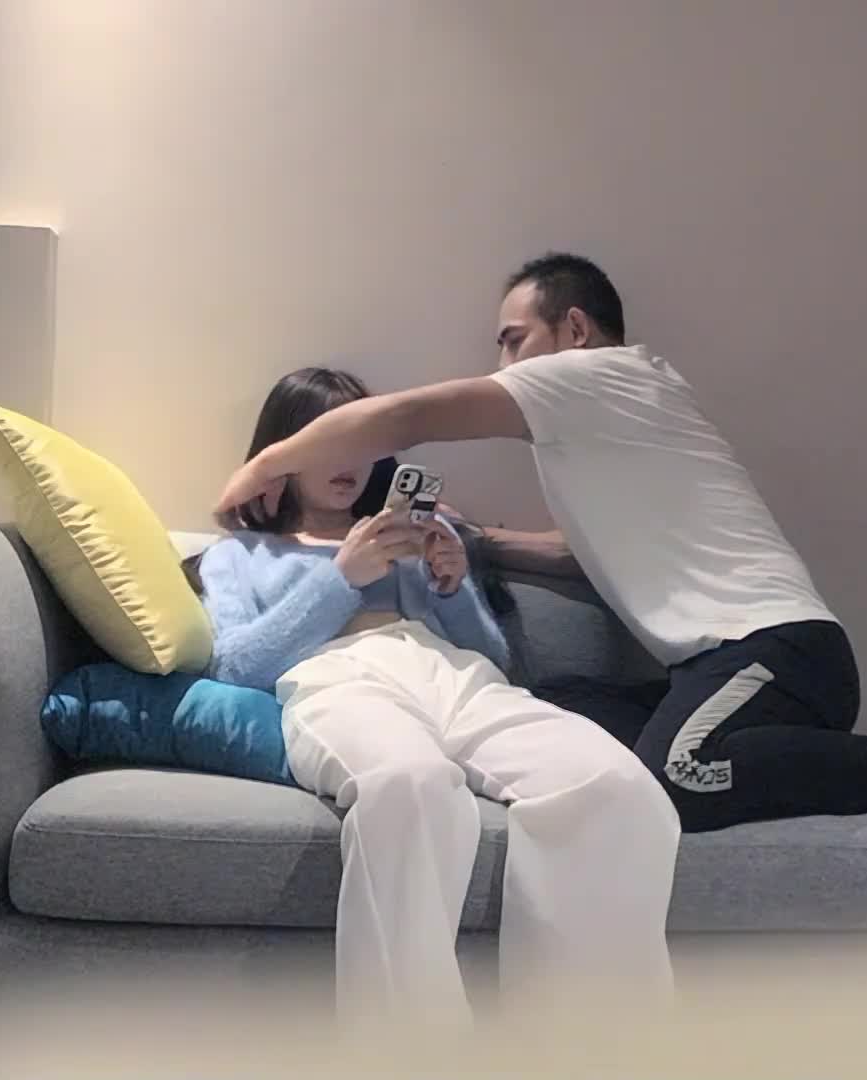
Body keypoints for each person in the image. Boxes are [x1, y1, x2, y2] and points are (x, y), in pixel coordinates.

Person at [214, 256, 867, 834]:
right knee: (554, 703)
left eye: (514, 341)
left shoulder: (596, 377)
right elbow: (582, 557)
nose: (504, 365)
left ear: (574, 332)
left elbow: (407, 417)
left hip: (775, 650)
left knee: (681, 775)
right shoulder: (606, 424)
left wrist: (263, 464)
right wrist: (473, 546)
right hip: (709, 672)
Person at [193, 367, 678, 1026]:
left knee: (618, 787)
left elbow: (494, 660)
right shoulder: (241, 554)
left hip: (451, 673)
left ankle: (586, 1045)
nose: (348, 460)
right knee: (408, 785)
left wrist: (450, 588)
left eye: (361, 441)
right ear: (286, 452)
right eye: (328, 439)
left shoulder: (407, 539)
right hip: (341, 676)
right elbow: (235, 667)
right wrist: (340, 578)